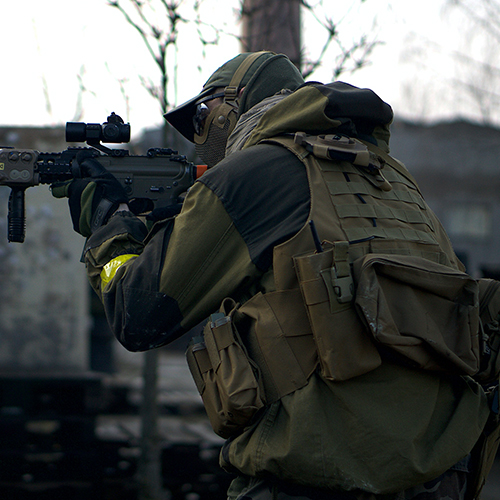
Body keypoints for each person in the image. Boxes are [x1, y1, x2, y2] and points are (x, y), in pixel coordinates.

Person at [52, 51, 496, 500]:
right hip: (440, 474)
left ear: (235, 104)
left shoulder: (253, 172)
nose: (199, 138)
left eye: (202, 117)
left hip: (317, 476)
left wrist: (108, 225)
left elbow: (138, 312)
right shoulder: (394, 178)